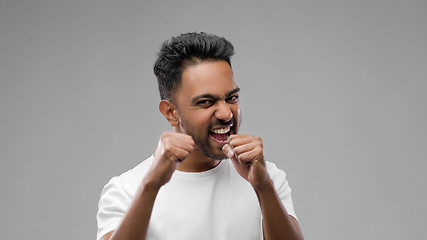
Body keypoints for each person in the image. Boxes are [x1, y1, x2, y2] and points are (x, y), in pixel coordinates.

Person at [96, 32, 304, 240]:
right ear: (171, 112)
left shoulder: (268, 178)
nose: (226, 113)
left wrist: (263, 187)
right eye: (206, 102)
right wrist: (152, 185)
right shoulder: (126, 190)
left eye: (232, 97)